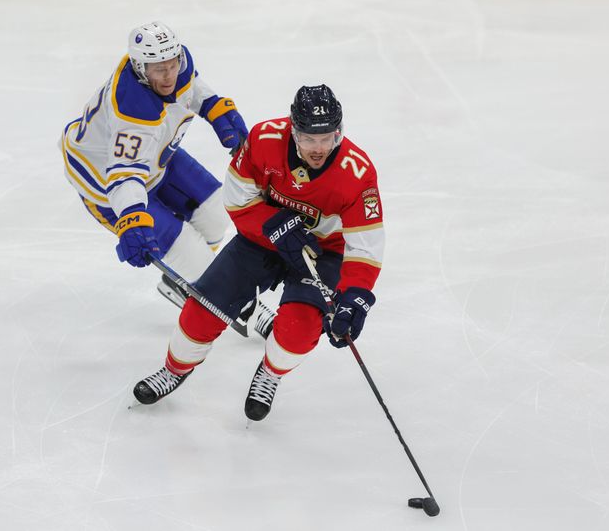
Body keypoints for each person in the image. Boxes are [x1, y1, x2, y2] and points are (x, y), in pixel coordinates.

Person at [131, 84, 385, 421]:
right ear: (293, 130)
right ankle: (175, 370)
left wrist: (354, 295)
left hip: (322, 253)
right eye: (309, 138)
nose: (319, 148)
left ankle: (270, 372)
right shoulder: (264, 140)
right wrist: (274, 225)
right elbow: (236, 200)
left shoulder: (357, 173)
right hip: (262, 238)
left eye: (328, 138)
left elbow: (365, 245)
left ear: (340, 133)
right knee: (202, 308)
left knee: (300, 330)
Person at [59, 21, 248, 304]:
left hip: (158, 158)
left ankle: (186, 280)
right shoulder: (132, 112)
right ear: (140, 68)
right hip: (106, 183)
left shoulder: (174, 68)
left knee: (216, 214)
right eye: (160, 69)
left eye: (172, 64)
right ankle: (195, 282)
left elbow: (191, 88)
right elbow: (124, 176)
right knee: (193, 258)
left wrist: (215, 108)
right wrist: (133, 217)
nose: (169, 74)